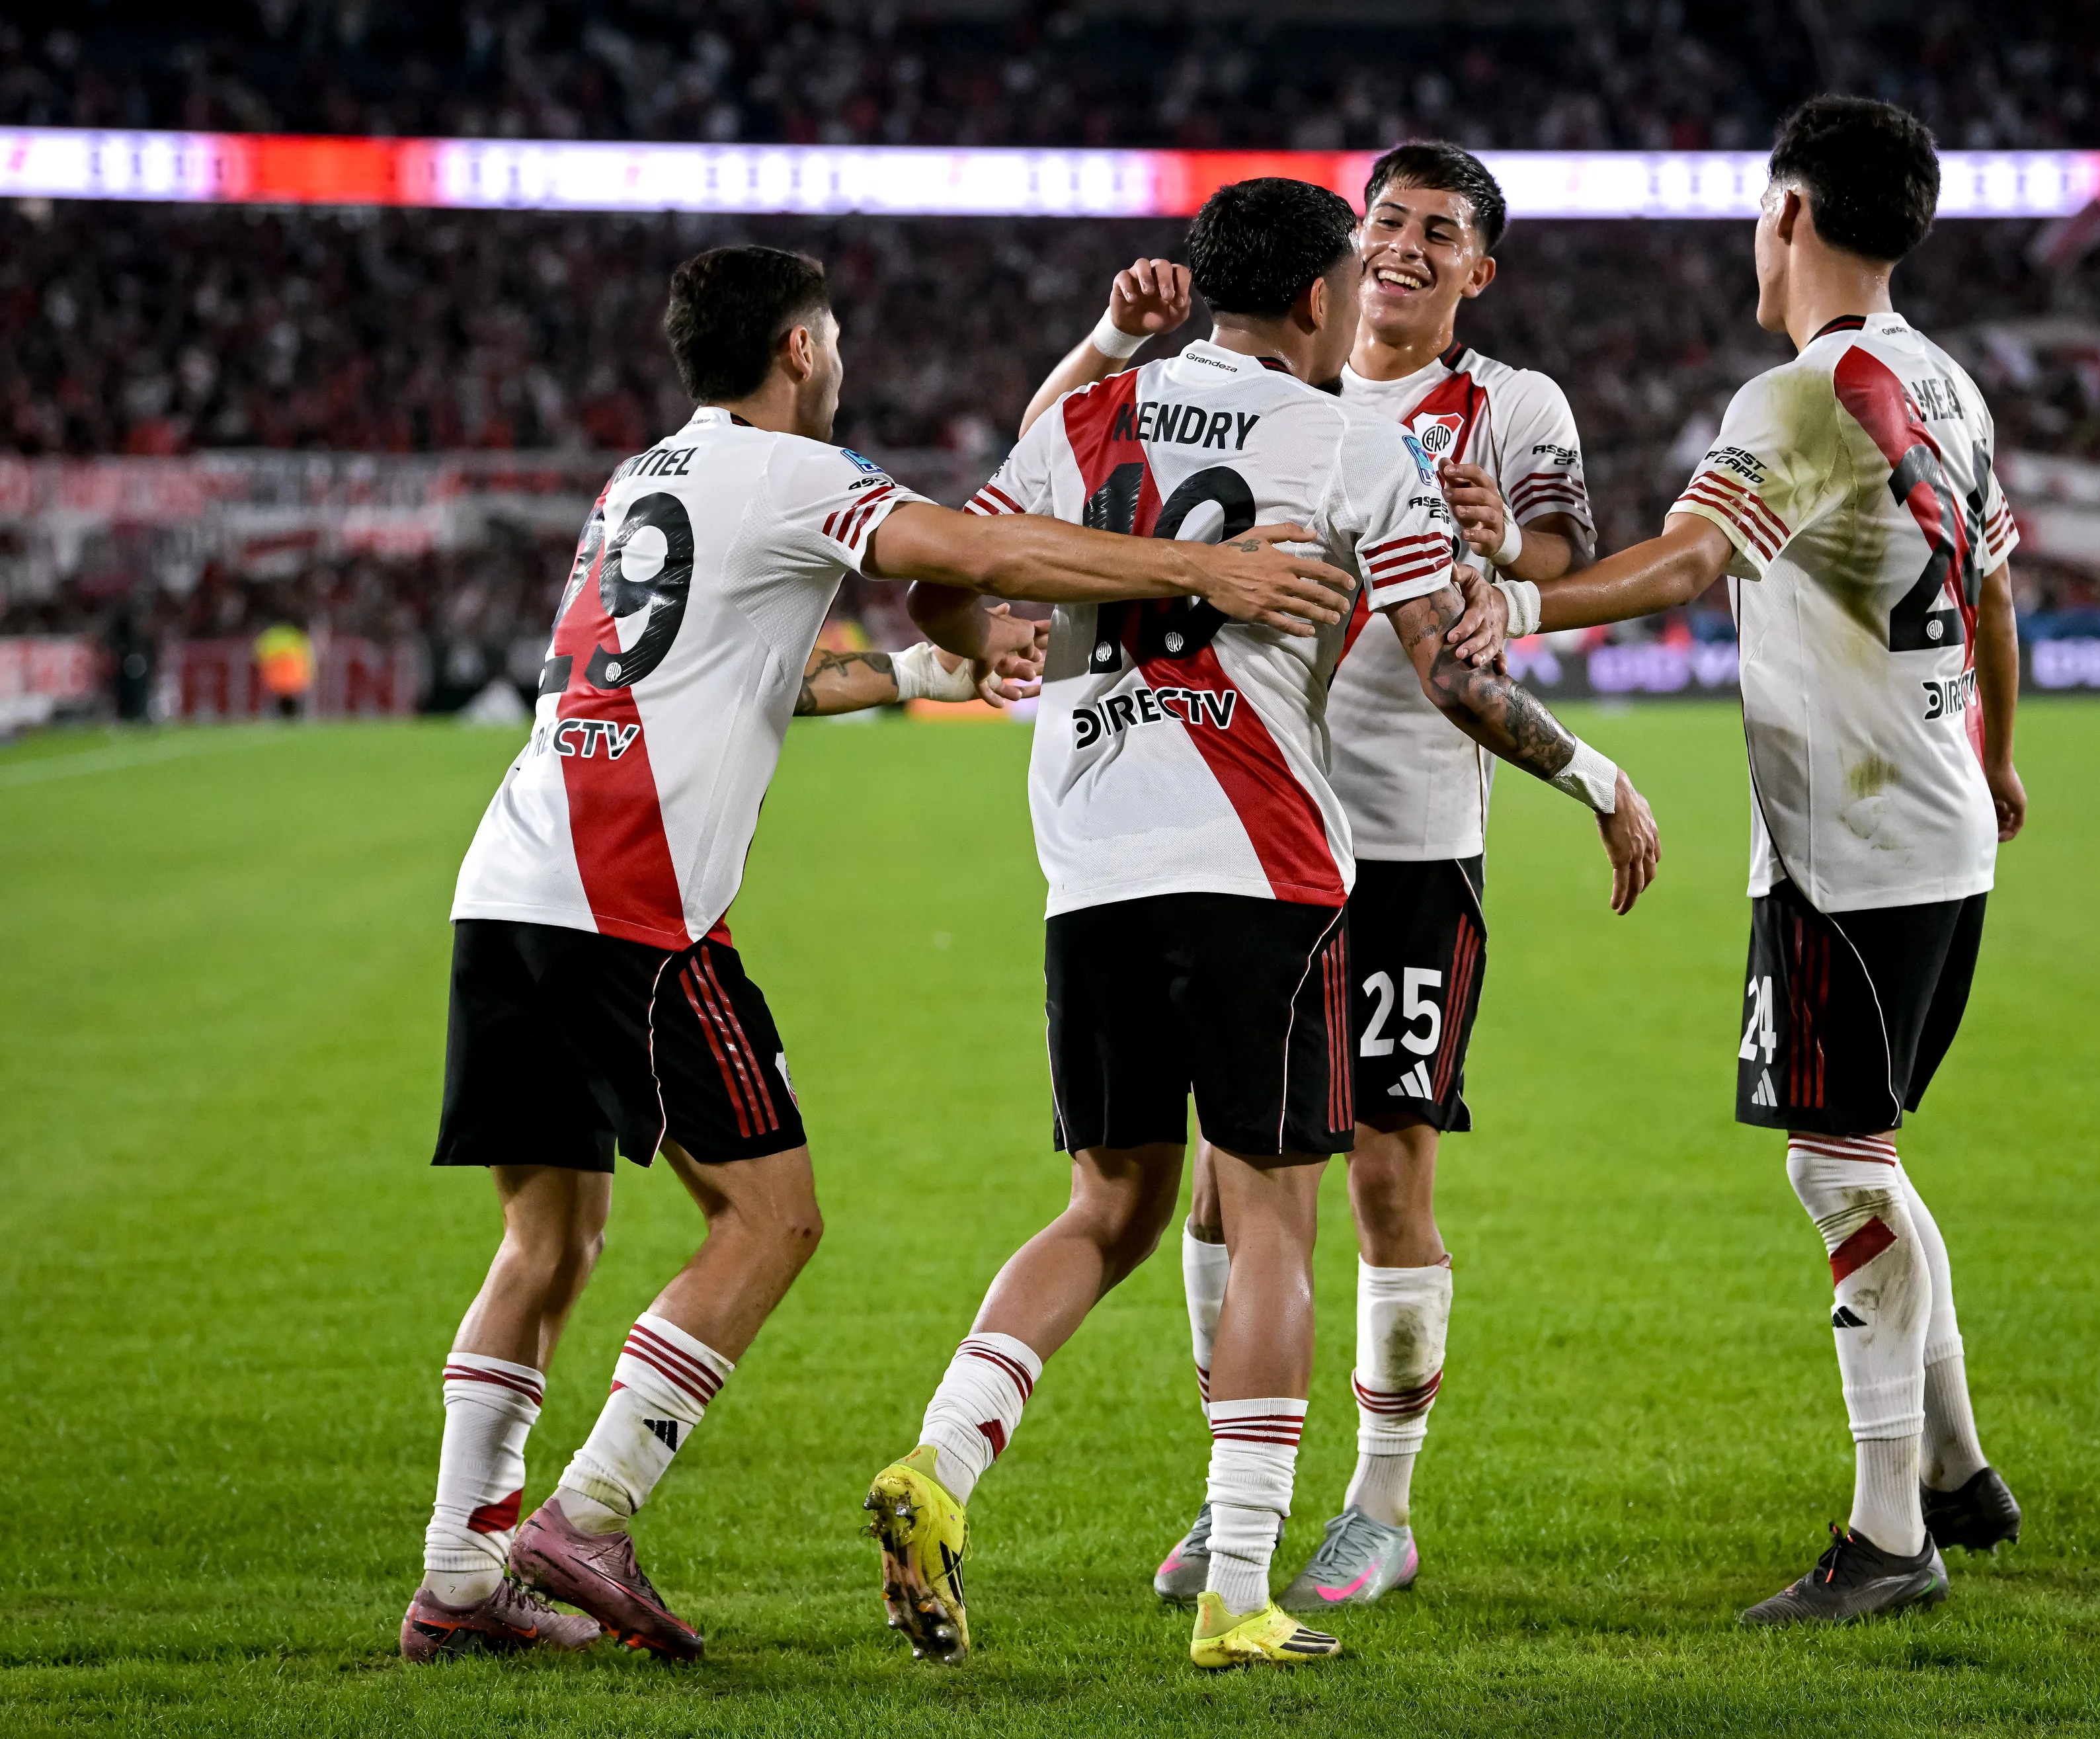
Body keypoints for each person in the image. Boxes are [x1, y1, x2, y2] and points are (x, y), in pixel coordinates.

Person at [401, 243, 1357, 1664]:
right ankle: (590, 1510)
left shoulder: (644, 479)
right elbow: (976, 550)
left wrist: (923, 675)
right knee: (771, 1220)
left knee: (548, 1239)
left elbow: (741, 668)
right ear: (798, 347)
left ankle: (457, 1584)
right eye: (831, 333)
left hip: (512, 878)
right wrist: (1197, 565)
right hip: (634, 904)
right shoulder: (799, 475)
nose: (836, 354)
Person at [862, 177, 1660, 1673]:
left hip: (1087, 865)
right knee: (1279, 1209)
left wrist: (993, 645)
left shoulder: (1084, 417)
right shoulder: (1354, 440)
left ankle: (941, 1467)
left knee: (1112, 1205)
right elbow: (1451, 675)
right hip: (1260, 866)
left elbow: (932, 581)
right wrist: (1597, 777)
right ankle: (1237, 1584)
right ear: (1319, 301)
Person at [1016, 140, 1598, 1615]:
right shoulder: (1293, 400)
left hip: (1404, 838)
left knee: (1387, 1178)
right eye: (1383, 221)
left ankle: (1375, 1509)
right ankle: (1235, 1507)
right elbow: (1056, 487)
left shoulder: (1510, 406)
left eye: (1437, 230)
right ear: (1341, 268)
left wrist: (1498, 553)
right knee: (1223, 1196)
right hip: (1253, 848)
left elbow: (1553, 551)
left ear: (1480, 266)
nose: (1402, 246)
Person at [1513, 96, 2029, 1623]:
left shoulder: (1794, 395)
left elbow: (1687, 558)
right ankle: (1953, 1471)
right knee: (1866, 1145)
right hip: (1934, 820)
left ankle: (1888, 1537)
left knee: (1832, 1163)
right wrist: (1997, 752)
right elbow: (1999, 588)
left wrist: (1517, 608)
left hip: (1847, 844)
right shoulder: (1944, 383)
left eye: (1758, 210)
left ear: (1790, 213)